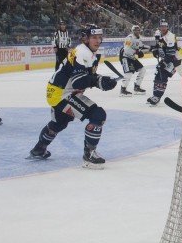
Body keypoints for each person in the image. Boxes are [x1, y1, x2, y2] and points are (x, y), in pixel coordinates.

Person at [29, 24, 117, 167]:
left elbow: (87, 76)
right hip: (63, 93)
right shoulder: (82, 53)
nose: (98, 40)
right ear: (85, 38)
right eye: (94, 37)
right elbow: (79, 82)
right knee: (98, 115)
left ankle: (39, 149)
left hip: (55, 91)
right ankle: (89, 155)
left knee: (59, 123)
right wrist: (98, 81)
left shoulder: (86, 52)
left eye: (99, 37)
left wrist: (101, 80)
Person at [147, 19, 182, 106]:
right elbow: (157, 44)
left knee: (163, 74)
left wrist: (164, 63)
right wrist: (155, 50)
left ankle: (157, 97)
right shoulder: (158, 34)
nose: (163, 28)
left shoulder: (170, 37)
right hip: (166, 58)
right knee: (158, 73)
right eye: (161, 26)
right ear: (159, 27)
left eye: (165, 26)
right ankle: (155, 95)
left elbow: (171, 53)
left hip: (175, 58)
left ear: (167, 27)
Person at [119, 24, 148, 95]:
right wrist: (137, 52)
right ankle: (123, 90)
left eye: (138, 30)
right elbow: (126, 50)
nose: (137, 31)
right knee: (129, 73)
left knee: (142, 70)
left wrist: (152, 48)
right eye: (135, 30)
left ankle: (137, 87)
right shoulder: (130, 38)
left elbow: (141, 46)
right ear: (132, 31)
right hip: (125, 56)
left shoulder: (139, 38)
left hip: (131, 57)